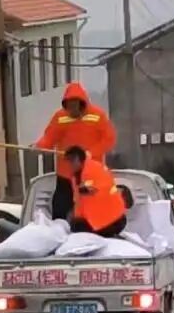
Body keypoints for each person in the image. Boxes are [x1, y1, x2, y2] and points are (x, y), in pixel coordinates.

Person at [35, 81, 116, 221]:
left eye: (74, 105)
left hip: (90, 173)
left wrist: (91, 153)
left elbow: (108, 139)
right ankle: (59, 232)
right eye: (68, 105)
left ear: (81, 103)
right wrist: (39, 146)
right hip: (66, 174)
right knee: (60, 210)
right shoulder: (60, 117)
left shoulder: (97, 116)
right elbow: (49, 137)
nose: (71, 109)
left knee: (90, 209)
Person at [65, 146, 127, 238]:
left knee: (76, 224)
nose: (68, 165)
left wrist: (87, 189)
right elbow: (79, 202)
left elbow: (99, 188)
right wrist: (76, 219)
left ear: (77, 159)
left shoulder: (92, 169)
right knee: (75, 224)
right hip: (112, 220)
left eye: (70, 161)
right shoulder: (77, 176)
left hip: (112, 220)